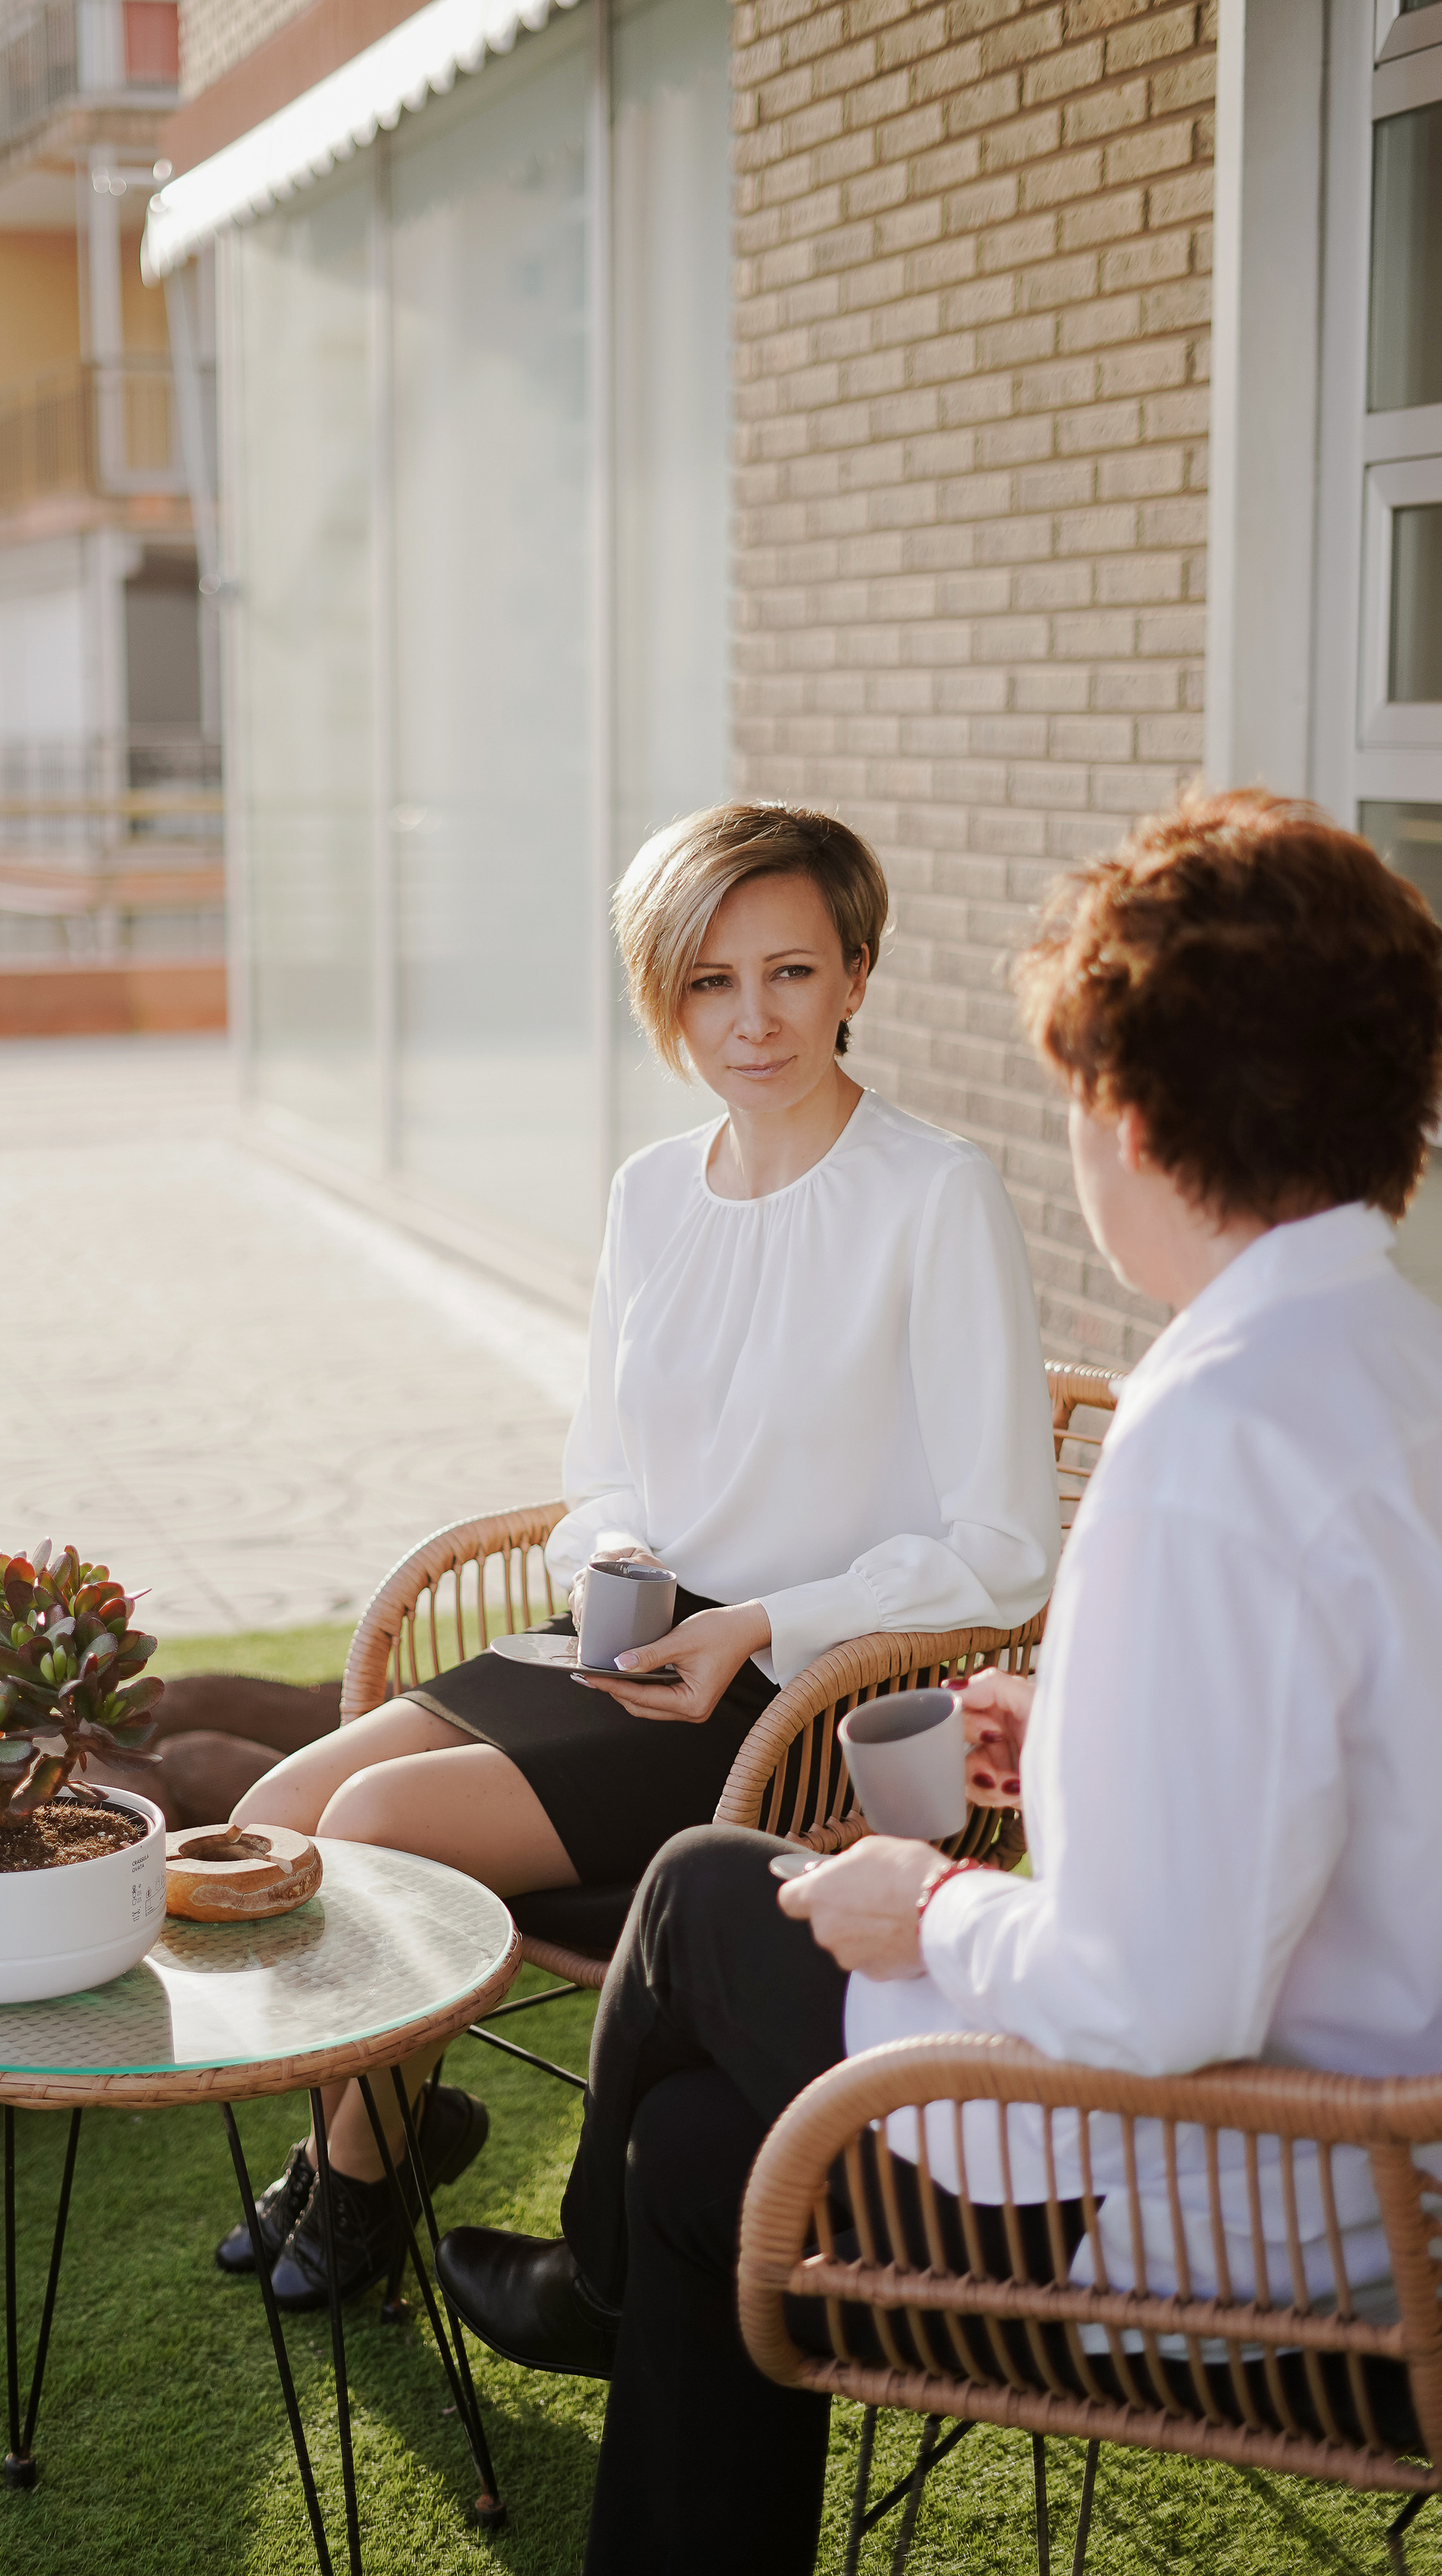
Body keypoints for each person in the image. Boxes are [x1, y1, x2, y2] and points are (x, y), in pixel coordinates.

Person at [435, 787, 1442, 2574]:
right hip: (1381, 2141)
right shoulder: (1390, 1362)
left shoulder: (1211, 1439)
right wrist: (1079, 1735)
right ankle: (615, 2274)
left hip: (1281, 2209)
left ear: (1124, 1114)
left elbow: (1154, 2004)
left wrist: (931, 1911)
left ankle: (592, 2290)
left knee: (709, 1900)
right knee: (689, 2155)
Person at [218, 801, 1061, 2309]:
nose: (752, 1021)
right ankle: (394, 2132)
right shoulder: (648, 1193)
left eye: (791, 974)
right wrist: (611, 1552)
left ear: (856, 974)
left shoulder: (934, 1198)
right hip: (626, 1640)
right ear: (660, 995)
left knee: (388, 1814)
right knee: (283, 1807)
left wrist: (753, 1625)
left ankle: (353, 2179)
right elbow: (599, 1466)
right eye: (707, 983)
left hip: (788, 1703)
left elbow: (1002, 1552)